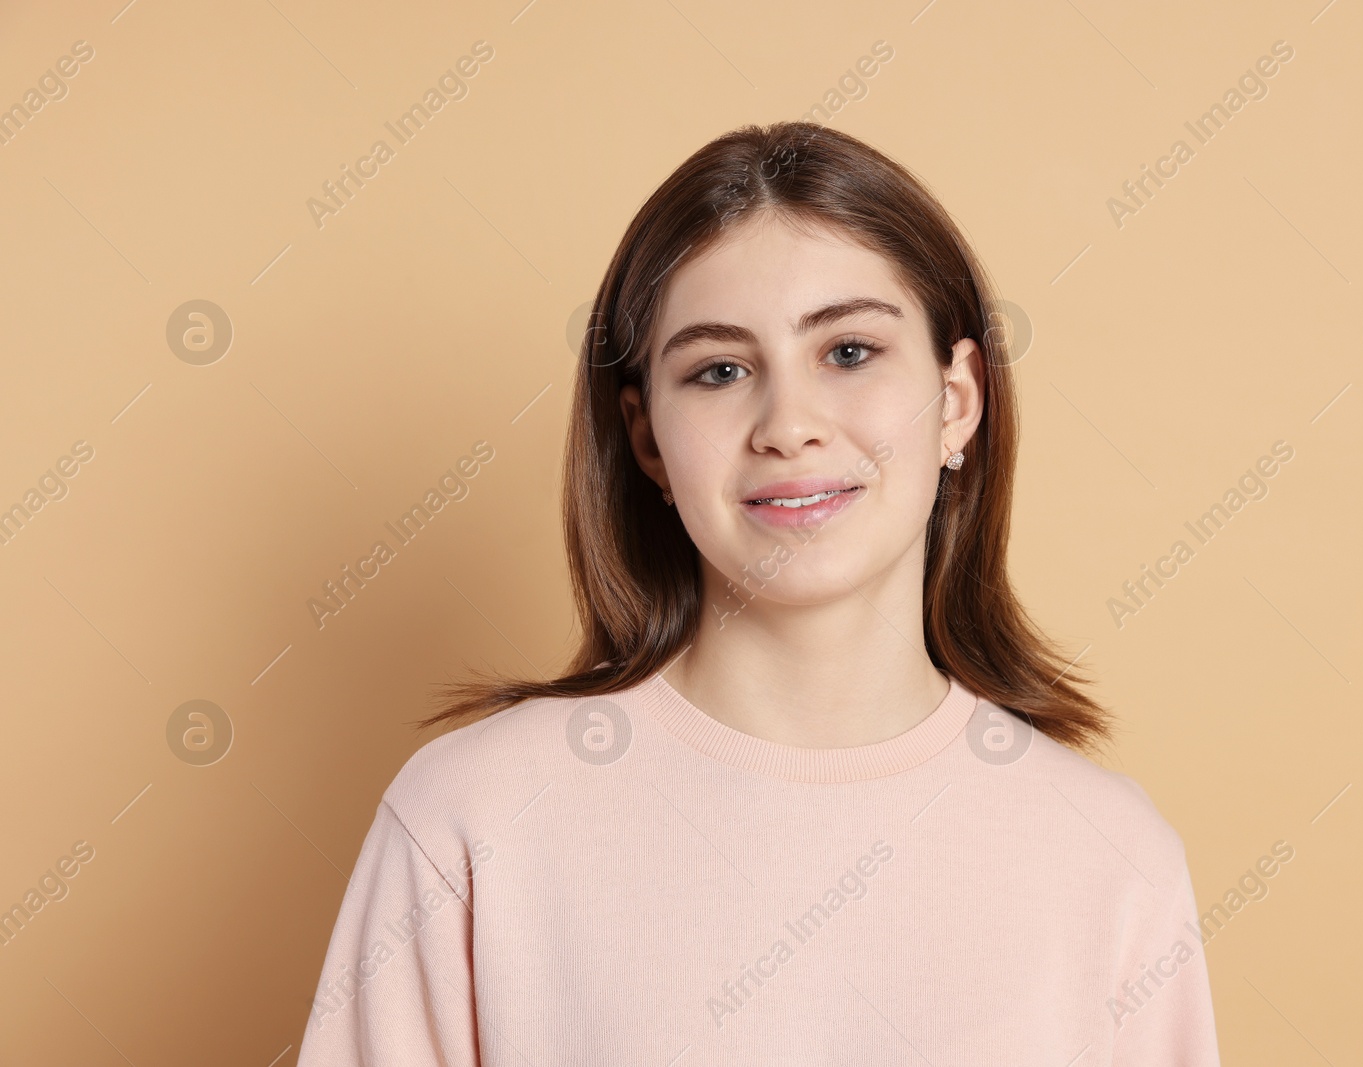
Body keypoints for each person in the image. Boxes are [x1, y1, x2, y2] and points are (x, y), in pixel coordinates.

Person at [294, 121, 1222, 1065]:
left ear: (958, 401)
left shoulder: (1109, 857)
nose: (789, 425)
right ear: (648, 437)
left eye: (849, 351)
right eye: (720, 370)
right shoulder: (473, 822)